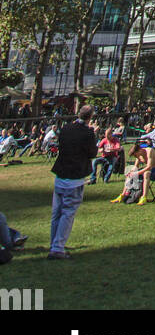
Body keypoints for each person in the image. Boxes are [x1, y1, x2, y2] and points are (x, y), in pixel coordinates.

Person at [48, 104, 98, 260]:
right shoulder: (87, 133)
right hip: (75, 177)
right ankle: (58, 247)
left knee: (57, 213)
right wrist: (93, 134)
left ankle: (54, 243)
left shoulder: (66, 128)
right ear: (90, 116)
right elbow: (92, 153)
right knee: (68, 213)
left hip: (61, 173)